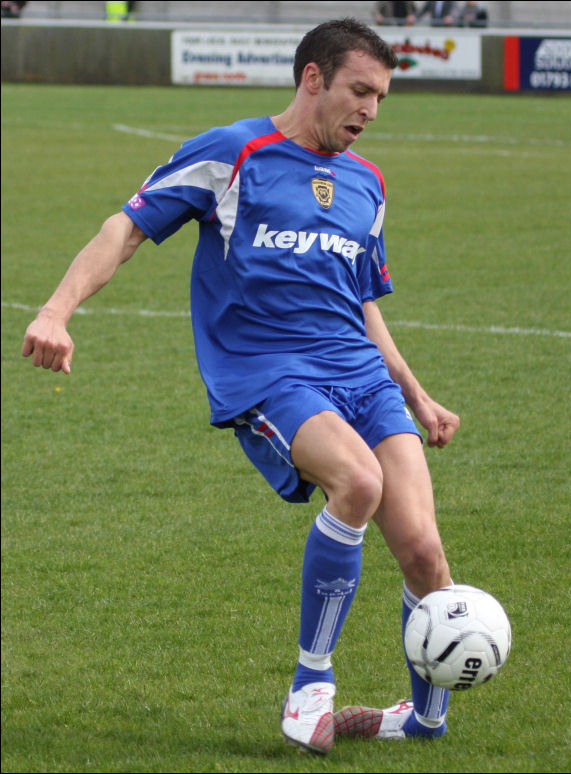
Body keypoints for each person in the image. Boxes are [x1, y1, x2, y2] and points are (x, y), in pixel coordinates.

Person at [21, 18, 460, 755]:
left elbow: (363, 303)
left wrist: (416, 394)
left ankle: (422, 717)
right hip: (268, 370)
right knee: (356, 482)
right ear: (313, 78)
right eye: (359, 91)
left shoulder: (367, 182)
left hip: (357, 373)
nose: (370, 111)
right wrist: (55, 311)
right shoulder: (234, 152)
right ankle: (309, 687)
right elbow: (125, 229)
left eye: (381, 97)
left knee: (425, 555)